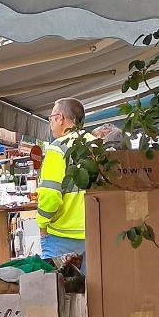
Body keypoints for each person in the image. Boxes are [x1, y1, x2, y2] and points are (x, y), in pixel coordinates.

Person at [37, 97, 94, 260]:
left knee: (58, 277)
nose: (51, 124)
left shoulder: (57, 149)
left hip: (63, 235)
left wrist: (42, 224)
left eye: (51, 118)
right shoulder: (97, 145)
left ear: (60, 118)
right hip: (96, 230)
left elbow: (50, 195)